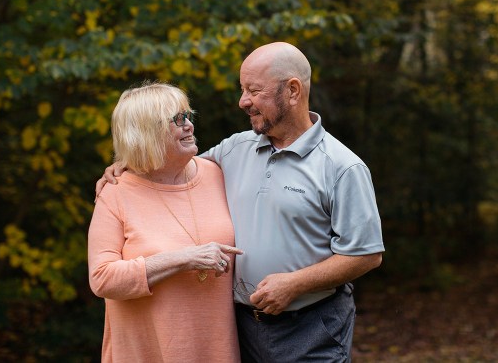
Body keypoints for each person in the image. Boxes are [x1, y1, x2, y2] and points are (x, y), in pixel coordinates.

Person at [97, 42, 384, 362]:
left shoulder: (342, 167)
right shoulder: (234, 150)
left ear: (292, 91)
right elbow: (169, 169)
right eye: (242, 89)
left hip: (309, 327)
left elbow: (366, 255)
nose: (242, 101)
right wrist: (128, 164)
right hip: (239, 328)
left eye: (254, 90)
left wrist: (294, 284)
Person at [88, 82, 243, 363]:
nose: (189, 126)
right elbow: (102, 279)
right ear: (146, 133)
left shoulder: (216, 173)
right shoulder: (116, 191)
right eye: (177, 120)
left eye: (188, 116)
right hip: (146, 353)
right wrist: (184, 259)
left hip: (216, 351)